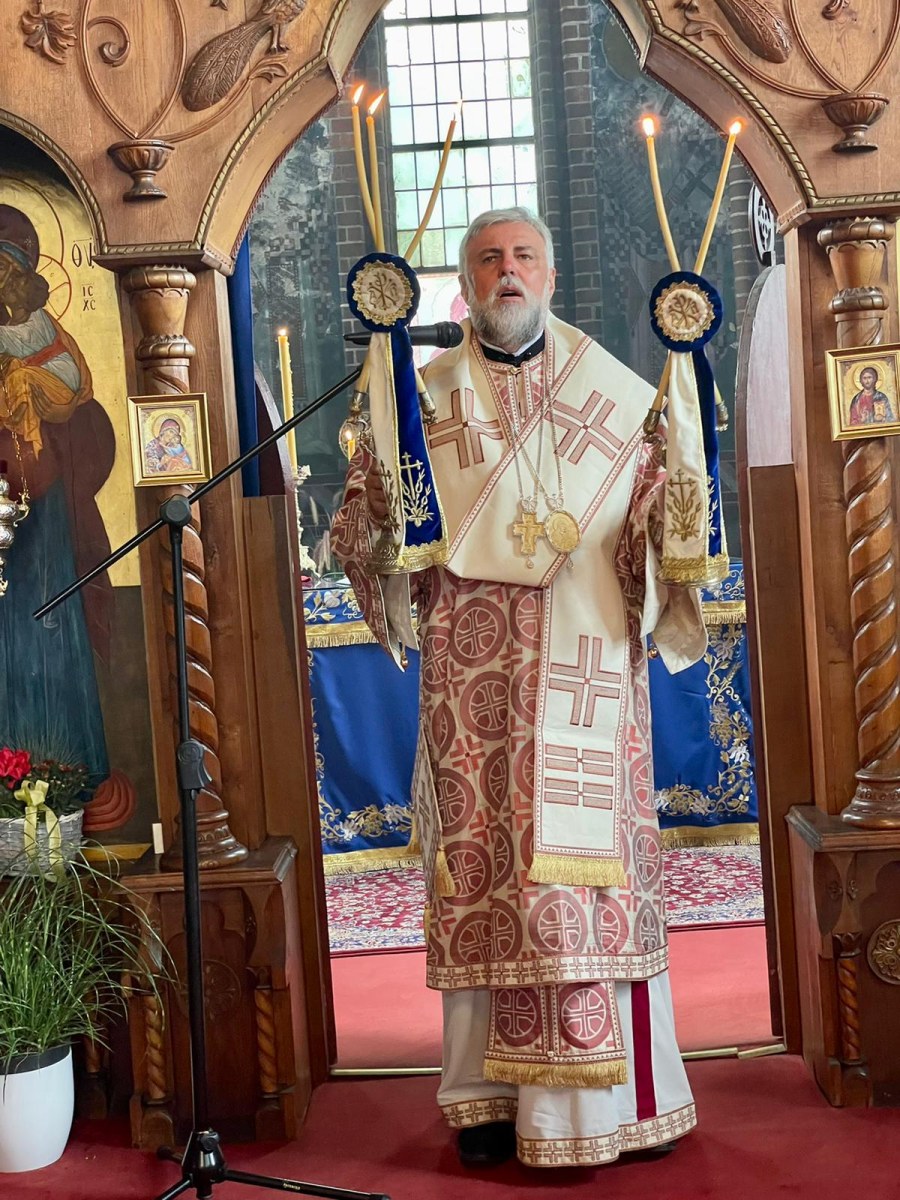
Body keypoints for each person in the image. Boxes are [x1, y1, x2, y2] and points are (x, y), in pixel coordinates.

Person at [332, 207, 707, 1169]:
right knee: (487, 874)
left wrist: (672, 499)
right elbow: (368, 535)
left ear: (550, 275)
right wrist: (379, 504)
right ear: (466, 284)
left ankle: (624, 1102)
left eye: (525, 256)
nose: (508, 271)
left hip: (589, 674)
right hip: (477, 691)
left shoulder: (615, 395)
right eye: (489, 259)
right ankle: (490, 1103)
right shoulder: (421, 403)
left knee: (589, 880)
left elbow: (654, 527)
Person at [0, 203, 113, 783]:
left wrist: (25, 378)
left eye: (8, 268)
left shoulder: (42, 329)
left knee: (44, 619)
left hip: (40, 510)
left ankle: (59, 769)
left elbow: (73, 391)